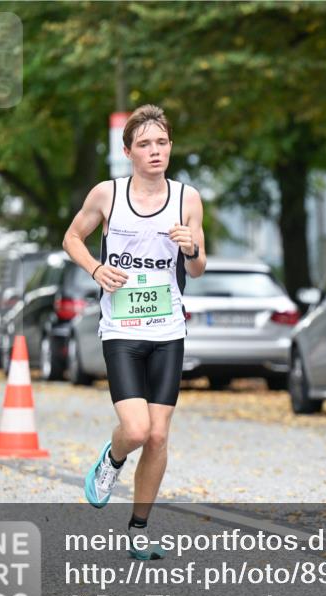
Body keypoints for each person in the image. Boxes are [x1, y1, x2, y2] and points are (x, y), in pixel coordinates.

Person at [62, 104, 206, 557]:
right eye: (144, 144)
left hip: (168, 330)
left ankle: (138, 531)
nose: (154, 151)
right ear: (128, 152)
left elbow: (197, 268)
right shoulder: (107, 194)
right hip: (121, 329)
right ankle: (113, 457)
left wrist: (192, 248)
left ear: (171, 147)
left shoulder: (187, 199)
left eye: (161, 142)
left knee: (159, 435)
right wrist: (96, 267)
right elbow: (71, 238)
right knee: (138, 430)